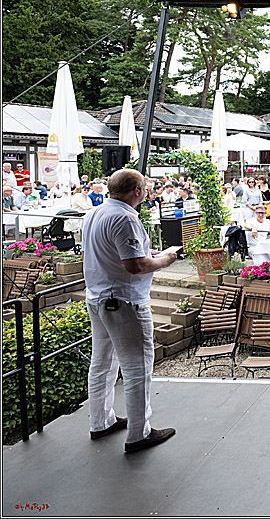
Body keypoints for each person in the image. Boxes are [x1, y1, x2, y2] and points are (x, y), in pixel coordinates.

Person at [82, 169, 177, 452]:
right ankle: (139, 433)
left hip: (98, 298)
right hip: (123, 302)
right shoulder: (124, 217)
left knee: (102, 363)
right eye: (146, 187)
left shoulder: (93, 214)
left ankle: (100, 422)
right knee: (138, 367)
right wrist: (166, 259)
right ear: (137, 190)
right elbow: (135, 265)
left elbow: (93, 256)